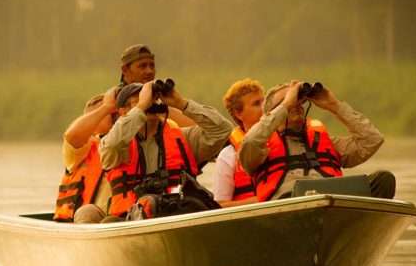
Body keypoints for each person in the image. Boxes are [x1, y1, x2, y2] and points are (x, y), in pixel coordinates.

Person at [238, 80, 395, 201]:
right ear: (271, 113)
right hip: (289, 206)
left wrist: (335, 106)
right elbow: (250, 142)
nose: (296, 103)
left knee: (383, 179)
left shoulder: (325, 142)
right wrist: (286, 105)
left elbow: (373, 140)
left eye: (299, 100)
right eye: (288, 100)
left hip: (334, 202)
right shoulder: (260, 148)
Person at [100, 80, 232, 219]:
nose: (150, 102)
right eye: (140, 100)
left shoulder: (182, 139)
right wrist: (141, 107)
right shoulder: (118, 145)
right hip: (129, 221)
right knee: (94, 215)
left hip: (178, 214)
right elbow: (111, 145)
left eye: (154, 98)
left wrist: (181, 104)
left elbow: (222, 130)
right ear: (122, 111)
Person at [54, 88, 117, 223]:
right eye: (110, 113)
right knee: (88, 213)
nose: (114, 116)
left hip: (122, 218)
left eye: (116, 112)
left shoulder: (131, 141)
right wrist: (106, 108)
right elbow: (72, 136)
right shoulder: (83, 147)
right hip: (89, 220)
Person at [214, 78, 264, 207]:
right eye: (257, 104)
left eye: (265, 102)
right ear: (238, 113)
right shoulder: (227, 156)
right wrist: (263, 201)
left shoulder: (284, 143)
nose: (264, 108)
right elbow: (220, 205)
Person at [118, 44, 195, 127]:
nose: (149, 71)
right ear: (125, 70)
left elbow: (196, 127)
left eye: (152, 66)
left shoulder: (162, 104)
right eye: (142, 66)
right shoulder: (112, 103)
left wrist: (180, 104)